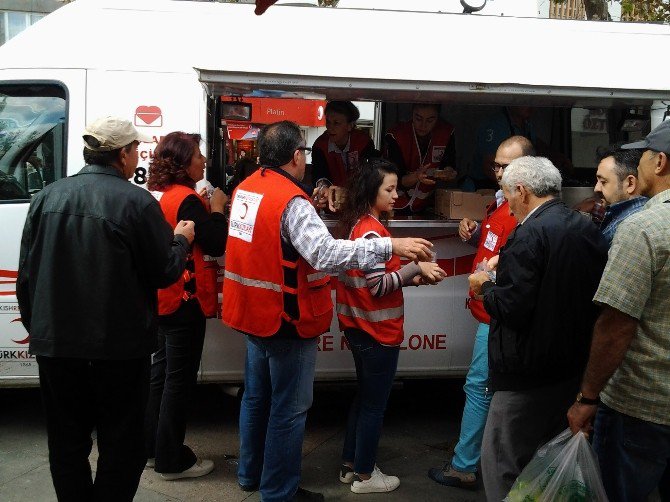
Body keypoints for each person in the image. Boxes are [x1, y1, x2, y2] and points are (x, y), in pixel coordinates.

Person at [221, 120, 435, 502]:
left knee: (256, 399)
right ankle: (279, 492)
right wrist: (390, 248)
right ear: (296, 157)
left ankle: (250, 475)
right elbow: (326, 254)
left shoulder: (246, 189)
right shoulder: (292, 203)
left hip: (252, 314)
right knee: (288, 410)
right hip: (286, 320)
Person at [16, 116, 195, 501]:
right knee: (122, 445)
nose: (137, 158)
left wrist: (41, 330)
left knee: (66, 444)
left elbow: (26, 278)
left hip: (57, 347)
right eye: (134, 150)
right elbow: (165, 271)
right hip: (118, 349)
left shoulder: (47, 197)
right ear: (123, 155)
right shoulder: (136, 202)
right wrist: (181, 241)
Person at [468, 156, 608, 501]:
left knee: (501, 462)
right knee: (542, 462)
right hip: (569, 370)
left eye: (507, 194)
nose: (508, 204)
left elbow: (512, 307)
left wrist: (485, 285)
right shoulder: (584, 226)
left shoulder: (528, 233)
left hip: (526, 373)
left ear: (521, 191)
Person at [567, 120, 670, 502]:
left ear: (659, 163)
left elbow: (616, 324)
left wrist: (587, 398)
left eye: (642, 156)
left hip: (640, 407)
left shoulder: (643, 228)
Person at [427, 136, 534, 490]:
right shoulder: (501, 202)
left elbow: (515, 263)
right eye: (497, 165)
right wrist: (473, 233)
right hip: (489, 313)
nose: (498, 172)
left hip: (497, 317)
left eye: (507, 166)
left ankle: (465, 465)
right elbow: (494, 248)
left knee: (479, 388)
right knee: (487, 388)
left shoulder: (523, 212)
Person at [335, 158, 446, 494]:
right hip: (376, 334)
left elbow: (379, 282)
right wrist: (416, 269)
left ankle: (351, 465)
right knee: (374, 405)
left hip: (359, 329)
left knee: (364, 398)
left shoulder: (360, 224)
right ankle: (366, 478)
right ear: (372, 191)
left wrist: (413, 278)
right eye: (390, 189)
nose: (397, 195)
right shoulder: (372, 230)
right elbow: (380, 286)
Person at [144, 132, 229, 479]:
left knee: (161, 377)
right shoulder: (189, 200)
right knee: (178, 381)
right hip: (185, 299)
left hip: (165, 298)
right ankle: (171, 460)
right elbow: (216, 243)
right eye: (198, 155)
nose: (204, 161)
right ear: (183, 162)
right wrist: (219, 208)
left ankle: (152, 449)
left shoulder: (166, 195)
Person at [383, 103, 457, 212]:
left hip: (425, 206)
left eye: (430, 120)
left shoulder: (446, 132)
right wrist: (416, 176)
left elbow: (449, 163)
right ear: (412, 115)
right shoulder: (396, 135)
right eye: (418, 119)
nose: (423, 125)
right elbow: (394, 179)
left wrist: (449, 172)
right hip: (395, 206)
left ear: (437, 118)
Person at [311, 100, 377, 186]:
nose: (330, 128)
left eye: (336, 123)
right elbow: (319, 174)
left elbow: (369, 176)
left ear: (350, 125)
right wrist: (323, 187)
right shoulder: (320, 145)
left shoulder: (364, 142)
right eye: (328, 122)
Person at [470, 107, 537, 189]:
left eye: (531, 99)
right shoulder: (496, 125)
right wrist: (514, 189)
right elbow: (488, 167)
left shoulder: (528, 124)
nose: (529, 104)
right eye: (524, 99)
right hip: (485, 187)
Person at [592, 146, 646, 245]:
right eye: (597, 181)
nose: (596, 188)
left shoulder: (630, 227)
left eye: (603, 182)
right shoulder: (619, 217)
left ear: (630, 183)